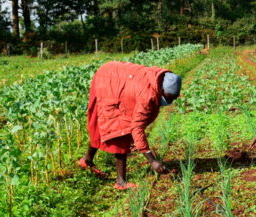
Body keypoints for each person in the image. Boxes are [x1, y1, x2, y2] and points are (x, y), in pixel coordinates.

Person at [78, 61, 182, 190]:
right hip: (107, 81)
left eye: (174, 98)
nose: (171, 101)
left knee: (108, 125)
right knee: (120, 130)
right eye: (170, 97)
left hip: (115, 77)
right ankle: (120, 182)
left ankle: (86, 160)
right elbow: (136, 127)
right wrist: (152, 160)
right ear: (161, 90)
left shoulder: (159, 79)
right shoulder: (147, 96)